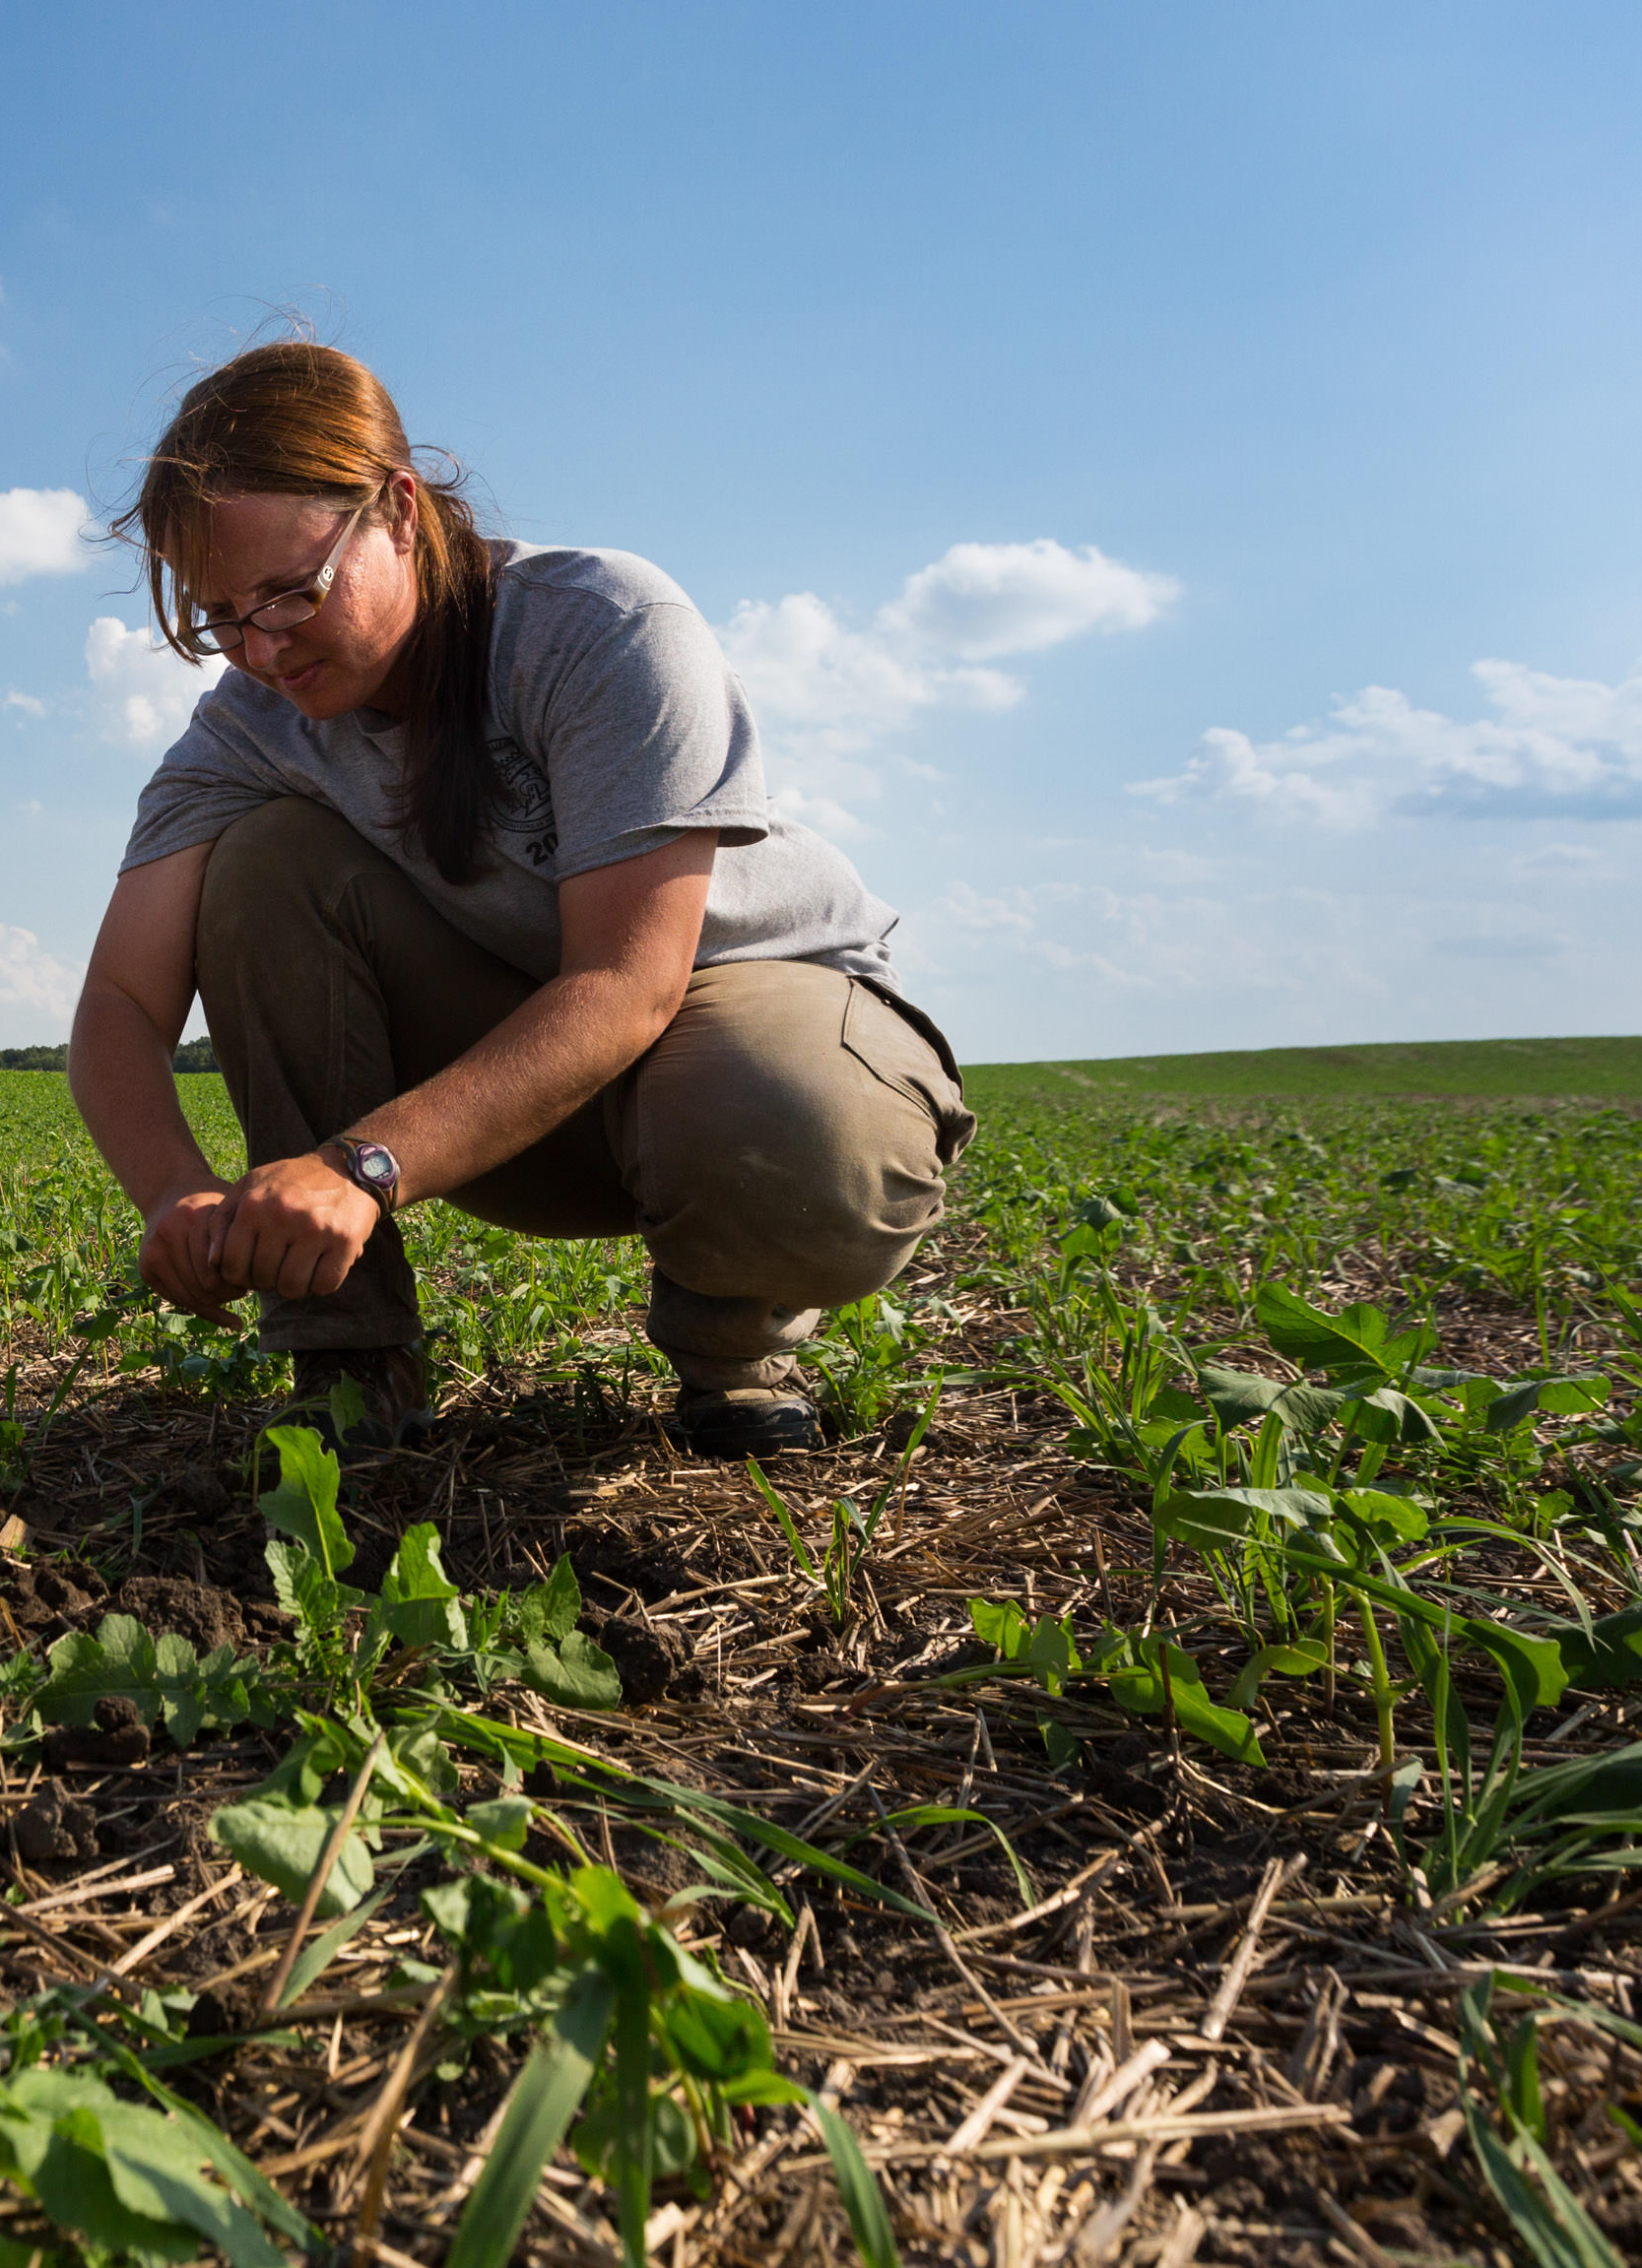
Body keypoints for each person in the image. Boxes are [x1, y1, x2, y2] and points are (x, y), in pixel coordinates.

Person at [64, 342, 971, 1454]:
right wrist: (170, 1193)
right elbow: (120, 999)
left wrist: (363, 1163)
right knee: (262, 861)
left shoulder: (594, 625)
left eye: (294, 592)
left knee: (794, 1122)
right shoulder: (249, 730)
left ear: (397, 509)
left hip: (731, 1042)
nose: (260, 648)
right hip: (525, 1111)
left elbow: (627, 983)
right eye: (219, 617)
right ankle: (348, 1358)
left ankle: (734, 1353)